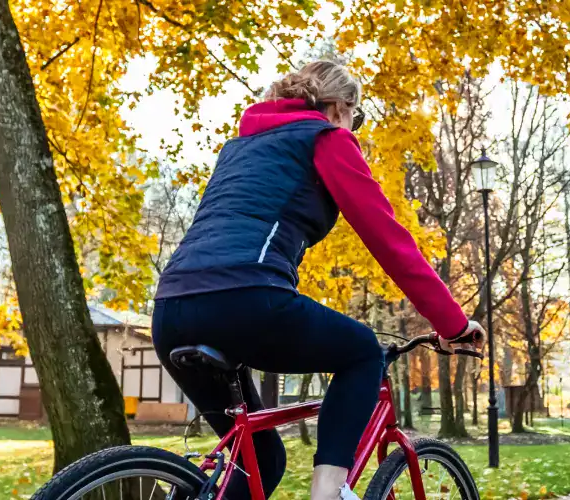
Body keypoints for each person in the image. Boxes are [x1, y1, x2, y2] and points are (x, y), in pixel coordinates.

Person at [152, 60, 484, 500]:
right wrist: (453, 324)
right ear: (337, 107)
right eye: (356, 115)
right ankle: (328, 492)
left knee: (262, 462)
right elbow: (390, 241)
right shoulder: (325, 138)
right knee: (363, 352)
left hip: (170, 311)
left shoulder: (239, 148)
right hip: (244, 299)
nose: (355, 128)